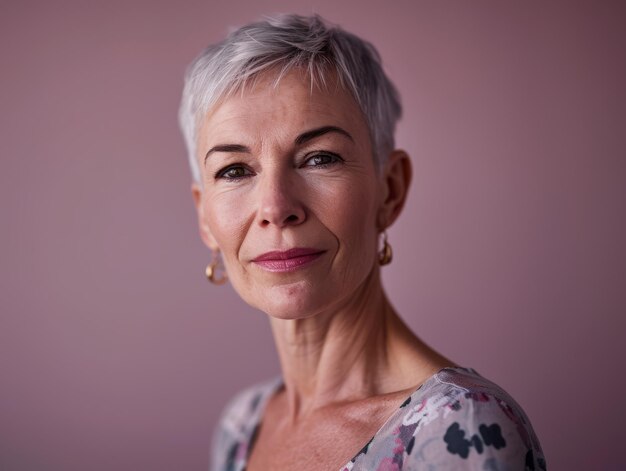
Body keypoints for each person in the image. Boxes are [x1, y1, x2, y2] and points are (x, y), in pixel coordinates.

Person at [178, 14, 546, 471]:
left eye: (319, 158)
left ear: (390, 190)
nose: (275, 206)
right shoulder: (242, 426)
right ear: (204, 216)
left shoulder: (463, 432)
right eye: (234, 171)